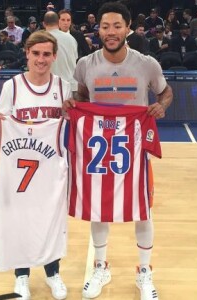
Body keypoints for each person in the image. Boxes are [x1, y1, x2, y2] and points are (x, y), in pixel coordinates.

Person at [63, 2, 173, 300]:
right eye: (105, 26)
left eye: (116, 26)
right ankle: (100, 266)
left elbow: (165, 92)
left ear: (127, 28)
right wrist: (74, 104)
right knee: (99, 207)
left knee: (143, 210)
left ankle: (144, 271)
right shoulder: (85, 64)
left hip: (135, 150)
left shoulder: (146, 63)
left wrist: (160, 106)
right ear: (98, 29)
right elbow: (81, 97)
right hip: (99, 148)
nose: (110, 32)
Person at [0, 30, 72, 300]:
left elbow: (68, 130)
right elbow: (2, 129)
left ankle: (53, 274)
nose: (41, 59)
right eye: (36, 53)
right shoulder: (12, 86)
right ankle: (22, 276)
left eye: (46, 54)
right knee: (20, 221)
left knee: (52, 221)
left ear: (54, 56)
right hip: (20, 173)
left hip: (52, 171)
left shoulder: (63, 87)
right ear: (27, 53)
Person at [43, 11, 78, 93]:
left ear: (44, 24)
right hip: (71, 86)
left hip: (52, 87)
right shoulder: (71, 38)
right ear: (58, 22)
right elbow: (75, 59)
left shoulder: (41, 39)